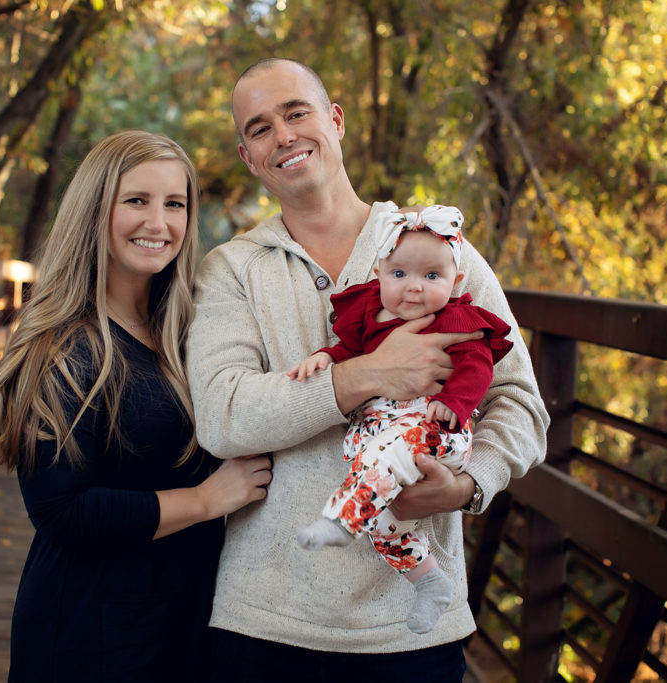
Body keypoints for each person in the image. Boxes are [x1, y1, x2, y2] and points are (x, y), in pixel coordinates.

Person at [185, 58, 550, 681]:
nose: (284, 135)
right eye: (261, 128)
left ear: (335, 120)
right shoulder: (231, 269)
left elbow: (518, 400)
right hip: (266, 621)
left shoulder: (438, 251)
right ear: (249, 156)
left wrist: (471, 484)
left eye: (296, 113)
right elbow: (223, 418)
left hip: (410, 625)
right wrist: (369, 375)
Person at [0, 130, 272, 683]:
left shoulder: (190, 331)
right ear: (94, 209)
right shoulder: (60, 345)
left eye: (175, 204)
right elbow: (62, 511)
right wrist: (207, 499)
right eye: (136, 200)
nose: (158, 224)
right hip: (92, 634)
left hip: (184, 621)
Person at [288, 204, 514, 635]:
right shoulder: (371, 314)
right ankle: (430, 583)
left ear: (456, 282)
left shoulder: (458, 319)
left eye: (432, 277)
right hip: (379, 434)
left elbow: (478, 367)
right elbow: (349, 353)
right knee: (386, 525)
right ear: (379, 273)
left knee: (391, 455)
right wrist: (325, 357)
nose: (413, 288)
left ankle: (342, 518)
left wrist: (455, 402)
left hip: (433, 430)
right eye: (400, 275)